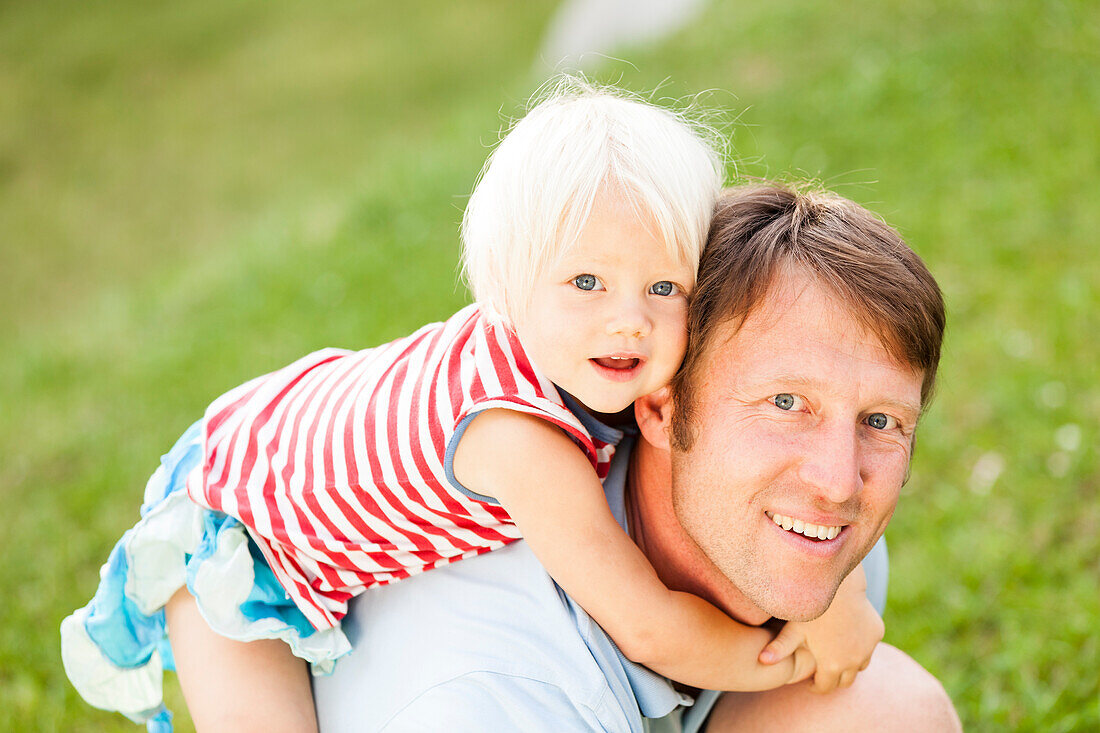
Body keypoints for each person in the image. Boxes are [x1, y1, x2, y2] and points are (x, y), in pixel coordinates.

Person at [61, 82, 883, 732]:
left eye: (663, 285)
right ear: (508, 284)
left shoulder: (598, 354)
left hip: (288, 425)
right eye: (586, 282)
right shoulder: (517, 440)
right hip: (236, 517)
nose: (627, 317)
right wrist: (799, 649)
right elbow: (648, 627)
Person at [312, 183, 963, 731]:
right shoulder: (497, 697)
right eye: (786, 402)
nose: (836, 482)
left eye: (880, 420)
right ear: (659, 407)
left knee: (891, 713)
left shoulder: (812, 550)